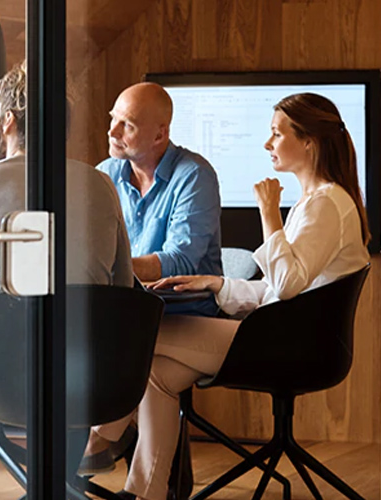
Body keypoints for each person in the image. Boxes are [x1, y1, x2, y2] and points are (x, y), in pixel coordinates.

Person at [87, 93, 370, 500]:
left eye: (276, 134)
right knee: (160, 376)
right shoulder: (317, 202)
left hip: (295, 347)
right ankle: (144, 492)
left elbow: (288, 286)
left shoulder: (326, 203)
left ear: (309, 142)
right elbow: (279, 288)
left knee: (142, 336)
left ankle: (98, 438)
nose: (267, 144)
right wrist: (216, 283)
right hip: (284, 335)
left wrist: (269, 213)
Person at [0, 61, 133, 500]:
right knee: (70, 362)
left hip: (2, 374)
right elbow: (122, 288)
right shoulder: (100, 184)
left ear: (9, 120)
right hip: (90, 372)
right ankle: (53, 489)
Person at [96, 82, 223, 317]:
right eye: (114, 119)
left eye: (128, 125)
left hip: (182, 314)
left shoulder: (195, 176)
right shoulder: (105, 174)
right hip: (128, 310)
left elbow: (180, 261)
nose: (112, 132)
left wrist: (110, 268)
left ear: (159, 135)